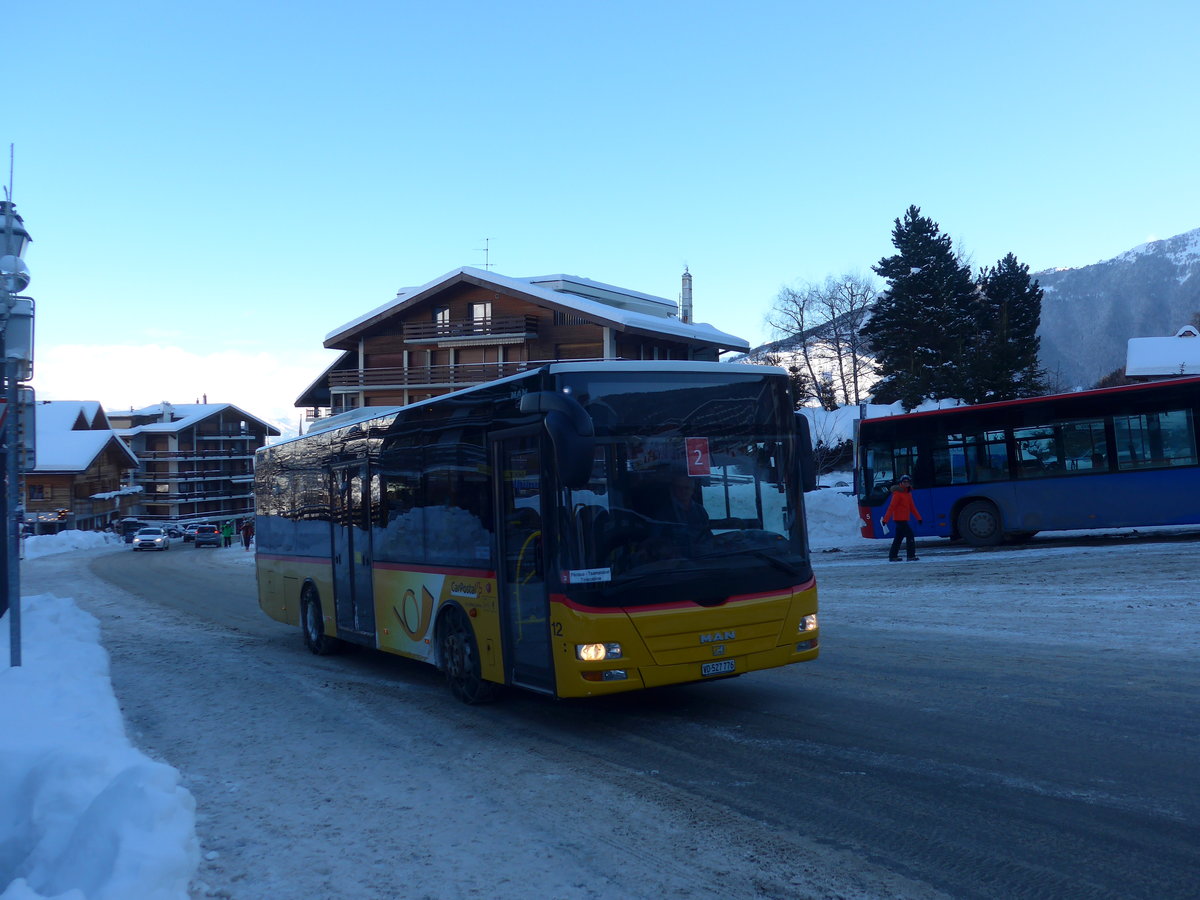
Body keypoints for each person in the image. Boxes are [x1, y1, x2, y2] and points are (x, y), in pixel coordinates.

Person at [882, 474, 922, 561]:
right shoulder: (897, 494)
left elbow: (912, 508)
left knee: (898, 538)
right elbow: (891, 507)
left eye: (908, 481)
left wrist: (919, 518)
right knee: (910, 535)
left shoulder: (908, 494)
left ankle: (893, 556)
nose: (906, 483)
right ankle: (911, 556)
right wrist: (885, 519)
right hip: (899, 520)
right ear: (901, 483)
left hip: (903, 520)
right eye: (904, 482)